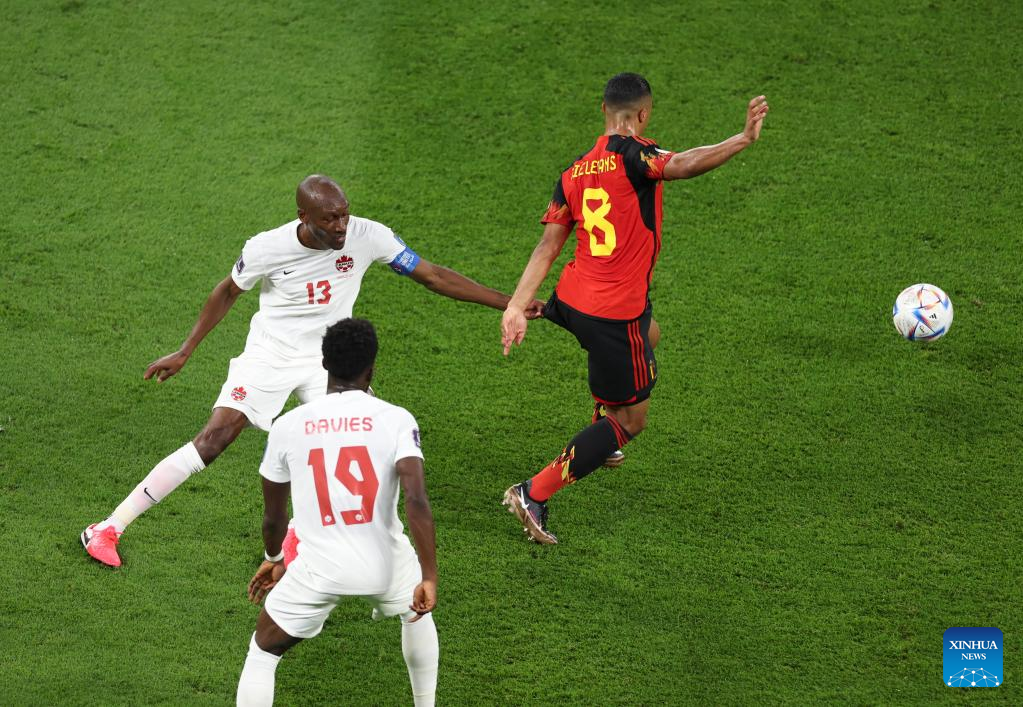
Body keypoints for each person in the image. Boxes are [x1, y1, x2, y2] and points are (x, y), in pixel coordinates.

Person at [82, 174, 541, 567]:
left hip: (328, 362)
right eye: (330, 219)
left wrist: (513, 302)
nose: (341, 226)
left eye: (344, 215)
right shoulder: (267, 247)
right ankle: (107, 528)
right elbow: (228, 291)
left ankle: (305, 538)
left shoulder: (368, 235)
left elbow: (433, 275)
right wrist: (185, 351)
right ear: (304, 217)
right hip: (271, 354)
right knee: (214, 440)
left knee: (365, 446)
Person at [501, 73, 768, 544]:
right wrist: (742, 138)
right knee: (630, 421)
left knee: (651, 334)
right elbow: (683, 164)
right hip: (611, 315)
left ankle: (602, 422)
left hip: (573, 301)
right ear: (643, 114)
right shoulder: (636, 155)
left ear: (603, 110)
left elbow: (547, 246)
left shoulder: (573, 172)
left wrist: (517, 307)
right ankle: (533, 492)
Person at [236, 318, 438, 707]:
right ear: (371, 368)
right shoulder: (397, 419)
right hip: (387, 564)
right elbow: (416, 500)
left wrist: (275, 559)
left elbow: (273, 517)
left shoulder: (288, 426)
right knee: (417, 614)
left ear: (324, 363)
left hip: (319, 568)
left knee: (264, 651)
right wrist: (428, 576)